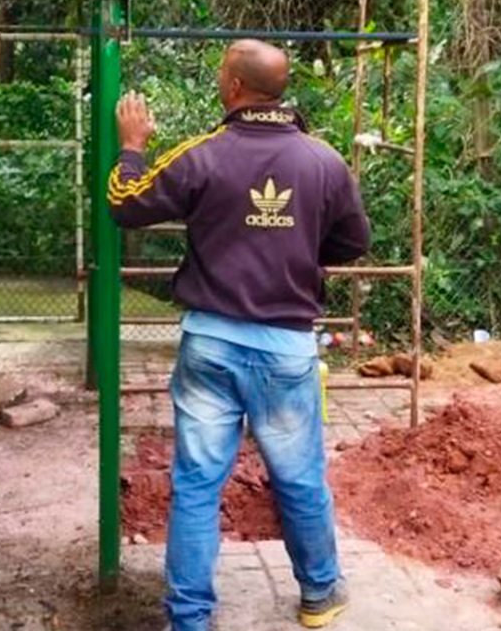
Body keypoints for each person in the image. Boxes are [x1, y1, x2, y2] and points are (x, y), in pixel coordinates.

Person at [107, 40, 371, 631]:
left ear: (232, 86)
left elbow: (125, 205)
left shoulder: (204, 156)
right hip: (286, 349)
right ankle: (320, 595)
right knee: (300, 477)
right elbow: (354, 242)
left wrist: (131, 148)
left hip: (211, 345)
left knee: (198, 485)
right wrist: (300, 253)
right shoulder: (323, 161)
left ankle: (190, 618)